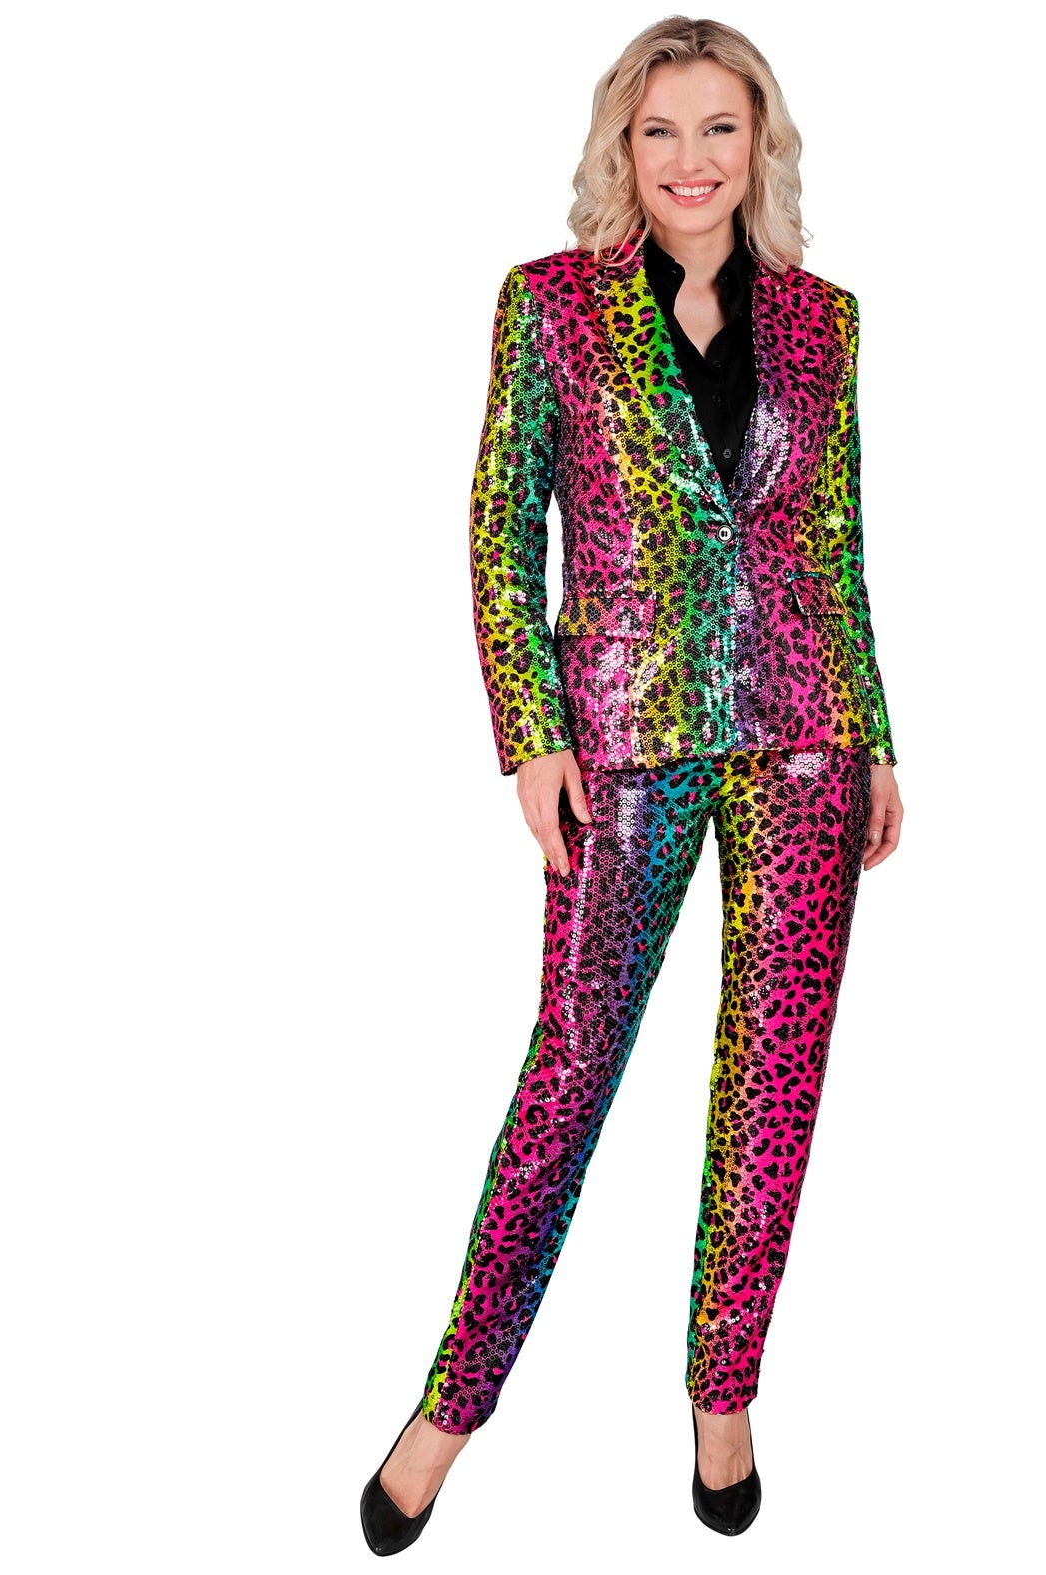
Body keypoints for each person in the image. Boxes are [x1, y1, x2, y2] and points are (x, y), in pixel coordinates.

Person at [360, 16, 903, 1555]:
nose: (689, 159)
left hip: (803, 732)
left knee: (773, 1083)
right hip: (622, 731)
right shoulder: (547, 304)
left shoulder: (826, 322)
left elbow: (833, 542)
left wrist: (872, 732)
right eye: (659, 130)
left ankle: (723, 1396)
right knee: (571, 1071)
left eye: (718, 127)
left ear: (759, 143)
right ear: (621, 145)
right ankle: (449, 1409)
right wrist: (529, 733)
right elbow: (497, 526)